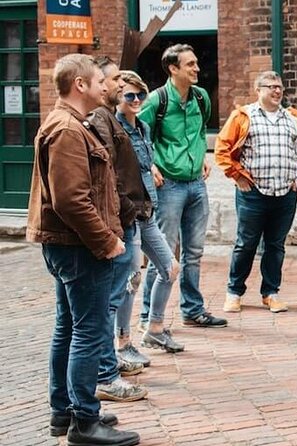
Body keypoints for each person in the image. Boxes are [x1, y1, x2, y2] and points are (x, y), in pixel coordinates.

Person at [26, 53, 139, 446]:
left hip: (71, 246)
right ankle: (83, 422)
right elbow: (71, 200)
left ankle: (67, 411)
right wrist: (107, 242)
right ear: (80, 84)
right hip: (79, 248)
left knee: (71, 328)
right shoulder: (68, 130)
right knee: (89, 333)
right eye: (99, 81)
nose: (107, 86)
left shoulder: (72, 124)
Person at [138, 43, 227, 328]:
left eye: (196, 63)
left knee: (195, 252)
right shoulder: (156, 100)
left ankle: (192, 310)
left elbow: (201, 130)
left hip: (197, 185)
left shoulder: (201, 97)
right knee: (163, 253)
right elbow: (137, 136)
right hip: (169, 186)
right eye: (190, 64)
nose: (197, 68)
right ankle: (147, 315)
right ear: (173, 68)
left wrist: (202, 156)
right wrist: (150, 166)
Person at [215, 71, 297, 313]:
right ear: (258, 90)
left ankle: (270, 293)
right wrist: (237, 176)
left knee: (276, 246)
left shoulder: (292, 118)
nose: (277, 91)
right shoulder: (243, 116)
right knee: (245, 244)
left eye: (279, 87)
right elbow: (222, 148)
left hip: (284, 194)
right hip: (254, 194)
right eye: (270, 87)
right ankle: (234, 292)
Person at [87, 57, 149, 403]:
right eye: (109, 81)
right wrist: (125, 211)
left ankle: (109, 365)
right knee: (106, 303)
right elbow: (108, 175)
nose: (112, 85)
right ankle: (105, 373)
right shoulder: (99, 119)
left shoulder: (112, 118)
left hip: (127, 216)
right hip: (119, 220)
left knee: (115, 294)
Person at [116, 70, 184, 352]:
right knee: (131, 280)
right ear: (117, 97)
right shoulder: (115, 130)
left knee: (170, 268)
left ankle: (155, 328)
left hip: (149, 212)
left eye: (140, 94)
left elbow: (145, 163)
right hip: (130, 214)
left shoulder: (143, 128)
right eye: (129, 95)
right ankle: (123, 342)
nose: (136, 100)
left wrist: (153, 168)